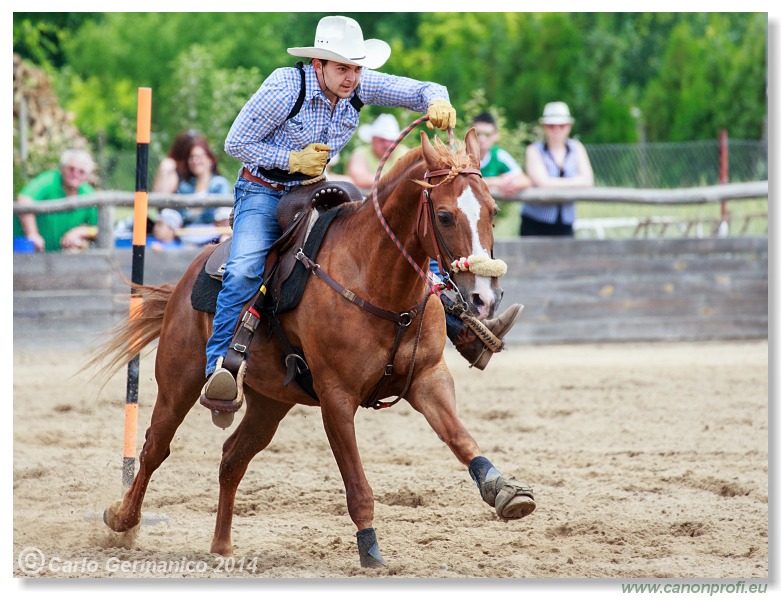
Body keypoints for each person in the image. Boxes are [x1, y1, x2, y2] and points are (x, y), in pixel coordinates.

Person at [202, 15, 520, 405]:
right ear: (318, 65)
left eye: (356, 67)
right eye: (342, 68)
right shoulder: (285, 88)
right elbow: (236, 142)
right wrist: (291, 159)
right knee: (245, 266)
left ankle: (464, 330)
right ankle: (220, 367)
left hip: (315, 188)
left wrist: (437, 100)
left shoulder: (357, 84)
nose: (351, 77)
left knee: (392, 241)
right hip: (263, 189)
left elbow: (420, 89)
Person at [521, 101, 594, 237]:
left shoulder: (576, 148)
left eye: (561, 125)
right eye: (551, 125)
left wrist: (551, 183)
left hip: (566, 223)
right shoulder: (534, 150)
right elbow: (542, 183)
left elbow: (589, 181)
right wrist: (576, 182)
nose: (556, 129)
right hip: (535, 223)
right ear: (544, 126)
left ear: (569, 126)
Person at [14, 148, 98, 252]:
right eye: (71, 169)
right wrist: (32, 234)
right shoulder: (49, 180)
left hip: (56, 258)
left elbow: (100, 229)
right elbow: (24, 199)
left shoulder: (88, 194)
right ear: (62, 169)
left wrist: (81, 231)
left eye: (81, 171)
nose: (75, 173)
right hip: (21, 250)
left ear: (86, 176)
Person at [153, 130, 232, 225]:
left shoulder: (219, 184)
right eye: (191, 157)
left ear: (210, 159)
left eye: (199, 156)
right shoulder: (184, 186)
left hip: (210, 232)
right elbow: (170, 209)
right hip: (187, 233)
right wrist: (164, 171)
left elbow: (218, 215)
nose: (195, 161)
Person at [471, 112, 530, 197]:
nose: (482, 138)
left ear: (495, 135)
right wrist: (497, 182)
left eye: (487, 134)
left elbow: (525, 180)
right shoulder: (461, 155)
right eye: (477, 134)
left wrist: (511, 183)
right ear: (469, 134)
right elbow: (463, 182)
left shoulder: (499, 155)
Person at [346, 113, 408, 188]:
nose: (387, 145)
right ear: (373, 139)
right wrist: (397, 179)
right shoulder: (360, 153)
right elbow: (358, 178)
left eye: (391, 140)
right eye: (382, 140)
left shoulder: (404, 152)